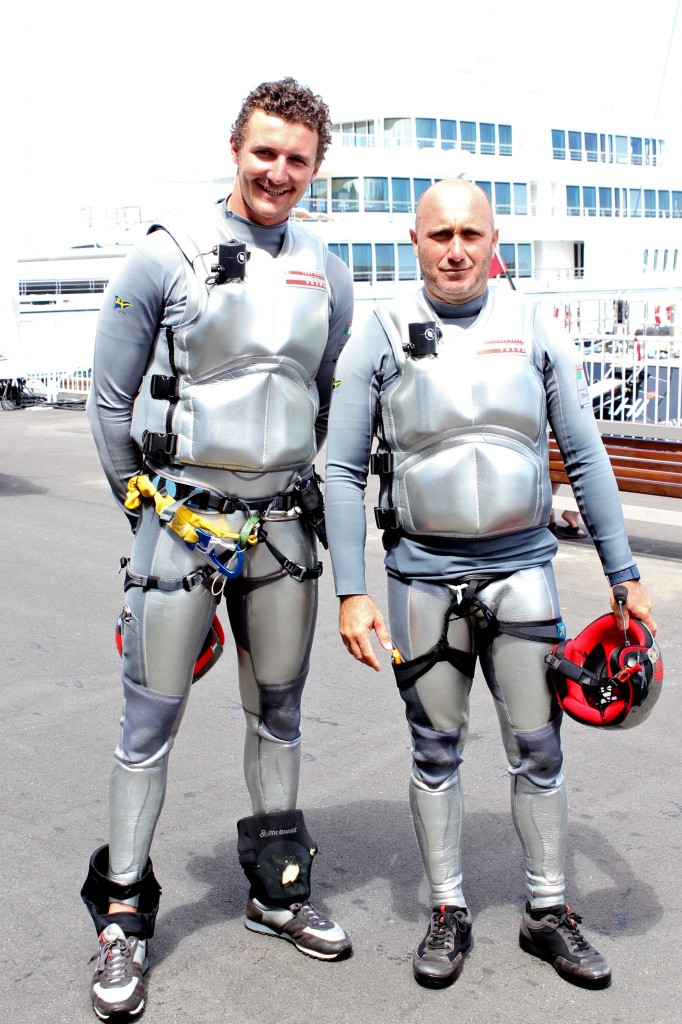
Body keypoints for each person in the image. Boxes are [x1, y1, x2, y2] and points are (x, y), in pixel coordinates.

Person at [324, 178, 654, 991]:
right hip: (423, 576)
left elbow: (584, 450)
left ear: (493, 236)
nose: (456, 249)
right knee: (435, 749)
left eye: (471, 233)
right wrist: (352, 591)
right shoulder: (378, 334)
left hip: (522, 574)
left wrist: (625, 572)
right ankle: (446, 908)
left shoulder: (531, 324)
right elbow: (338, 469)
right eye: (440, 235)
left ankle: (547, 911)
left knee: (539, 749)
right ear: (416, 240)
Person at [82, 78, 353, 1020]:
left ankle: (277, 892)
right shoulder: (165, 256)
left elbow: (321, 392)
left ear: (316, 167)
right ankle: (122, 918)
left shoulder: (329, 265)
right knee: (147, 727)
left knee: (279, 715)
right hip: (183, 524)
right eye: (265, 152)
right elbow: (108, 405)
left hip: (281, 529)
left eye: (298, 159)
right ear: (235, 148)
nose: (279, 171)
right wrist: (146, 514)